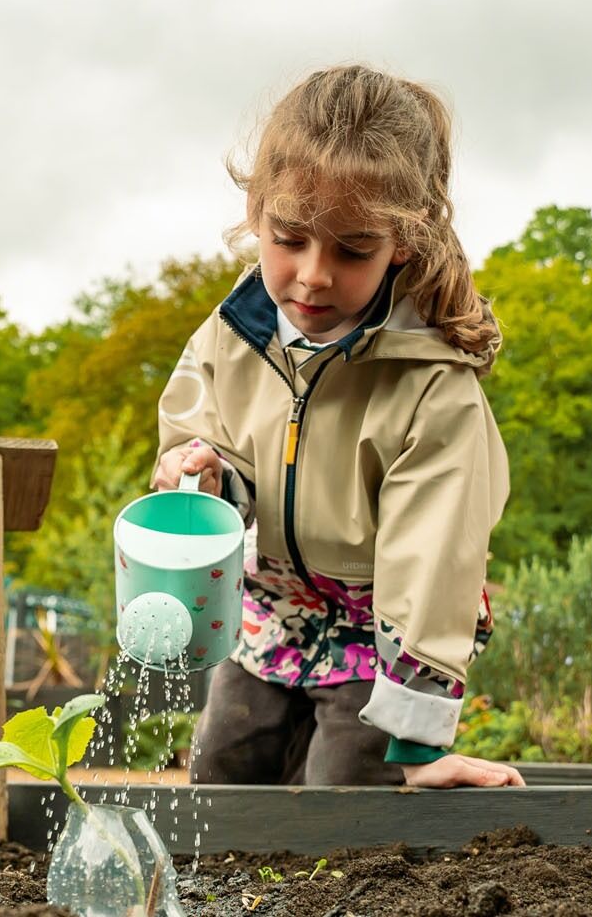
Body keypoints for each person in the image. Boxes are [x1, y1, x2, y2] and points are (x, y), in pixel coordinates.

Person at [157, 64, 524, 789]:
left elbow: (435, 561)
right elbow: (199, 429)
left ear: (405, 244)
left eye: (353, 250)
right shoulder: (234, 334)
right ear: (256, 216)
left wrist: (418, 747)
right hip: (268, 613)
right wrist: (202, 474)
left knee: (345, 809)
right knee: (222, 773)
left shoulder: (431, 384)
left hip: (374, 634)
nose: (314, 275)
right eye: (290, 238)